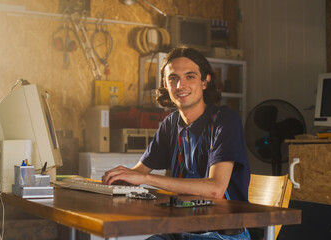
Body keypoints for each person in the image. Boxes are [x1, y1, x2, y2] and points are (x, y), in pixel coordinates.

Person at [102, 46, 251, 240]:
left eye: (190, 76)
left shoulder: (225, 120)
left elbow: (215, 189)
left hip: (220, 233)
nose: (180, 85)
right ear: (165, 84)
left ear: (205, 81)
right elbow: (138, 173)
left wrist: (146, 180)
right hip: (178, 229)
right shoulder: (170, 123)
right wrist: (118, 177)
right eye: (173, 78)